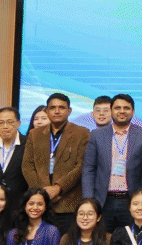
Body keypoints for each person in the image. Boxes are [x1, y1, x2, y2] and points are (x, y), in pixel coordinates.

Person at [82, 93, 142, 233]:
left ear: (133, 111)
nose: (122, 111)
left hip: (132, 201)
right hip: (103, 201)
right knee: (102, 241)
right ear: (111, 110)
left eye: (126, 108)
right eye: (117, 108)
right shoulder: (97, 135)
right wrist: (88, 200)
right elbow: (89, 168)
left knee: (131, 241)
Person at [21, 92, 91, 236]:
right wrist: (43, 192)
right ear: (47, 111)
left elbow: (81, 166)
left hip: (68, 203)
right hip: (40, 204)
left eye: (61, 107)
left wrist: (58, 188)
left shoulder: (82, 133)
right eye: (52, 108)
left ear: (69, 111)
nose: (57, 111)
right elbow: (27, 166)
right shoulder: (35, 134)